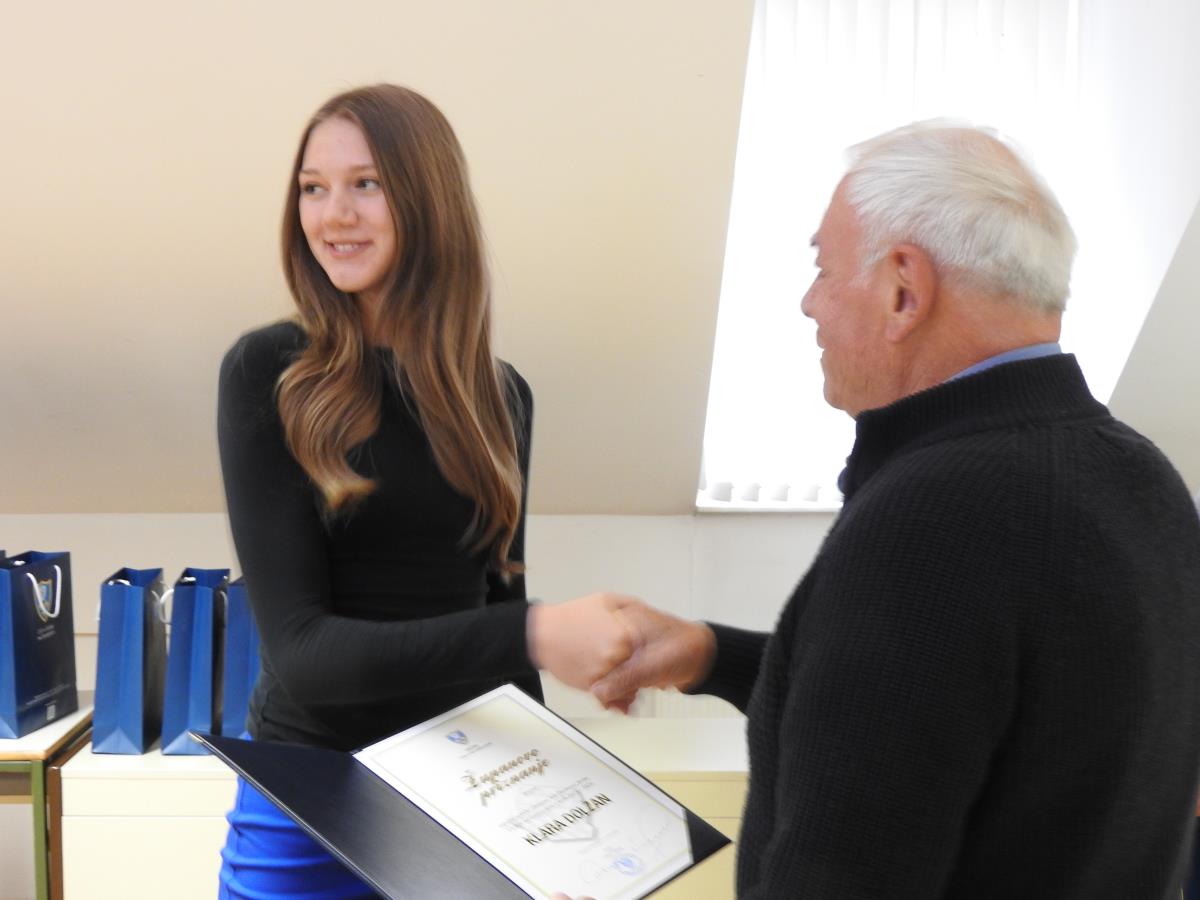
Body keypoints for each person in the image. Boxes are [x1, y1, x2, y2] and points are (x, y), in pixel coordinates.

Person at [586, 123, 1200, 898]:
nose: (809, 303)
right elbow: (940, 701)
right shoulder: (1142, 478)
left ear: (904, 290)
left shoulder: (937, 515)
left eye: (823, 268)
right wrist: (710, 655)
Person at [215, 84, 630, 899]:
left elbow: (498, 615)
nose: (333, 215)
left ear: (429, 199)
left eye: (365, 184)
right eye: (313, 188)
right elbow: (304, 658)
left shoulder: (501, 396)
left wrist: (553, 829)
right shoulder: (269, 373)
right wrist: (535, 633)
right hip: (311, 802)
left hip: (463, 793)